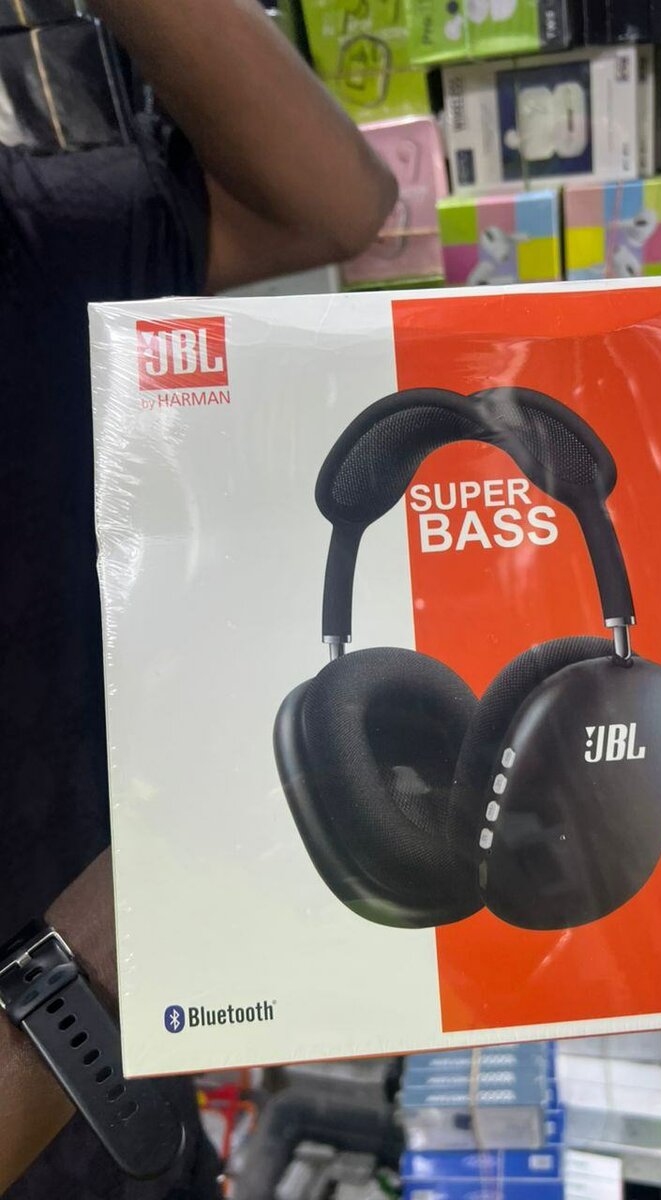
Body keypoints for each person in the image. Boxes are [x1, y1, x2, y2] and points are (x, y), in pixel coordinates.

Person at [0, 0, 398, 1195]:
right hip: (87, 1059)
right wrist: (105, 953)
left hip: (141, 1122)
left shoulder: (27, 241)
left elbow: (329, 207)